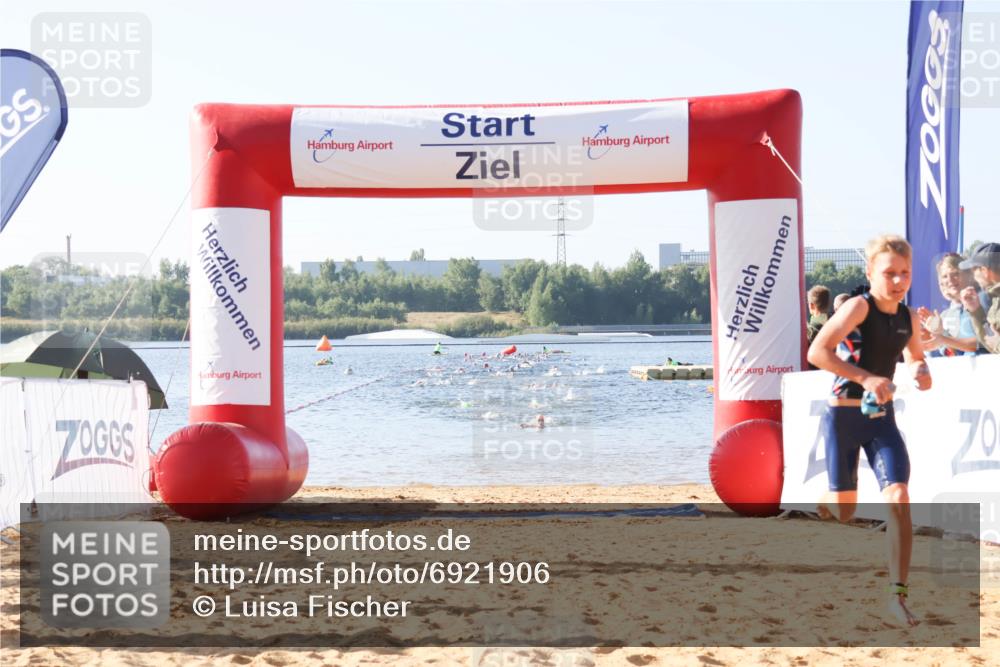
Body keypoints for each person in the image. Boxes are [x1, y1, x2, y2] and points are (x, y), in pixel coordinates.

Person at [807, 234, 931, 628]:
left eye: (905, 273)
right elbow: (817, 353)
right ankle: (826, 499)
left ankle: (897, 598)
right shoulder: (859, 308)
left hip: (881, 420)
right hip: (842, 417)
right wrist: (868, 377)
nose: (898, 281)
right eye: (889, 273)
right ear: (870, 273)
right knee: (845, 513)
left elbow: (915, 358)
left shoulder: (909, 317)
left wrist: (921, 372)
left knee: (899, 496)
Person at [917, 253, 979, 356]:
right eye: (945, 276)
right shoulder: (943, 316)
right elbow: (952, 355)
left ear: (968, 276)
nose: (950, 279)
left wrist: (943, 337)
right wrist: (929, 337)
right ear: (940, 283)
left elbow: (980, 344)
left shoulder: (981, 304)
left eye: (955, 273)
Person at [958, 242, 1000, 354]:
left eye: (974, 270)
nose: (974, 277)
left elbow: (995, 344)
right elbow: (991, 341)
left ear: (984, 271)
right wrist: (975, 310)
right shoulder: (996, 299)